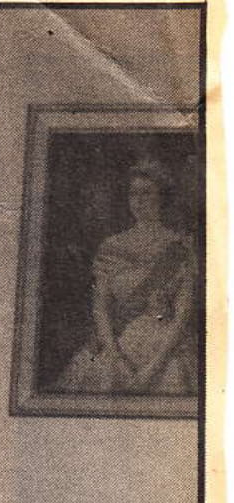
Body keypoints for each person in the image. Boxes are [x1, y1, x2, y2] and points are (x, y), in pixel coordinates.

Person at [56, 156, 197, 396]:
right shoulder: (111, 247)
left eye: (147, 193)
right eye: (134, 194)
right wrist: (115, 356)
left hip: (164, 347)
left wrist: (152, 369)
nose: (139, 201)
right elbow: (100, 308)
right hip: (116, 343)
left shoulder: (180, 247)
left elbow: (182, 315)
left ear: (162, 197)